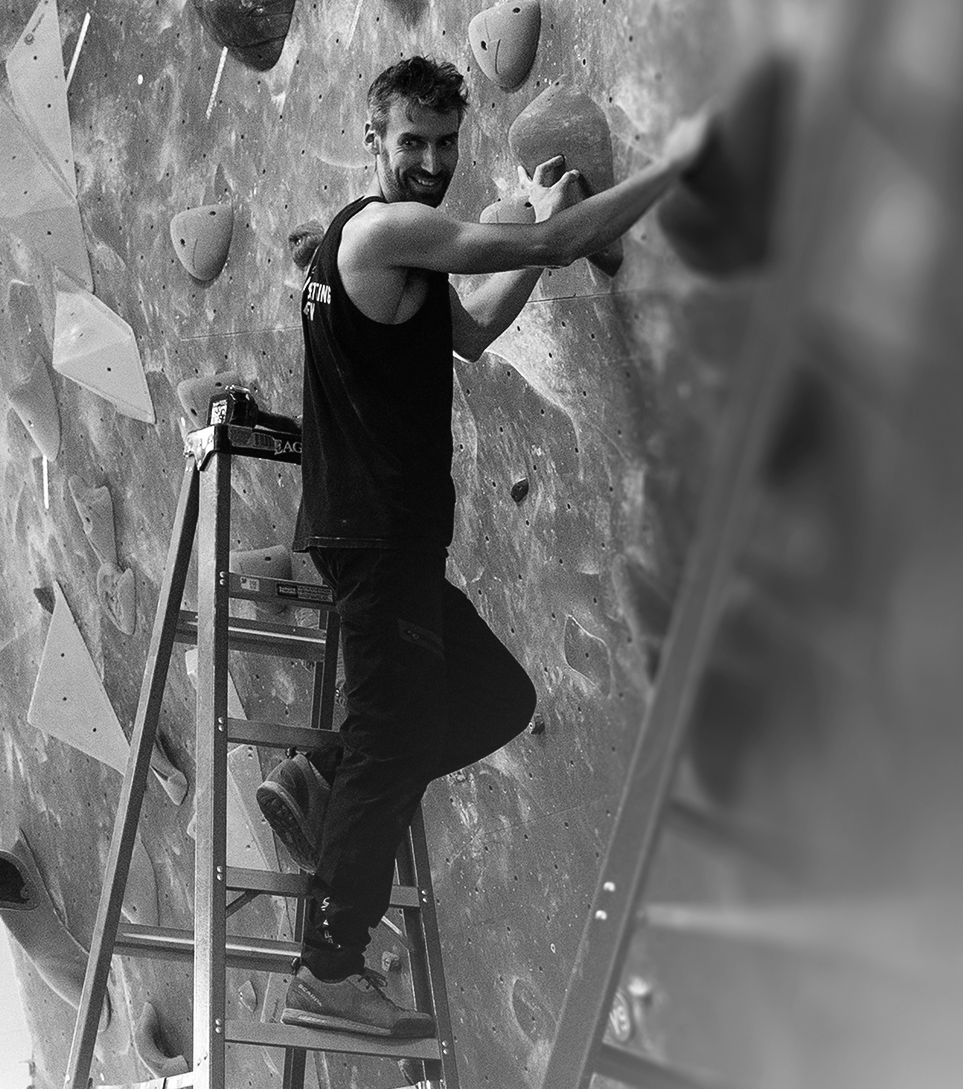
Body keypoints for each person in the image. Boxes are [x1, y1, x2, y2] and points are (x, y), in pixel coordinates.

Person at [258, 56, 708, 1038]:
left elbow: (464, 333)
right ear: (373, 141)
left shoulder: (394, 256)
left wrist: (537, 244)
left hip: (392, 544)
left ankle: (328, 777)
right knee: (391, 737)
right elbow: (546, 236)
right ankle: (326, 970)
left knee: (494, 698)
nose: (428, 160)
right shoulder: (381, 230)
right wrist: (668, 167)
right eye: (409, 141)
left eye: (442, 143)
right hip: (377, 541)